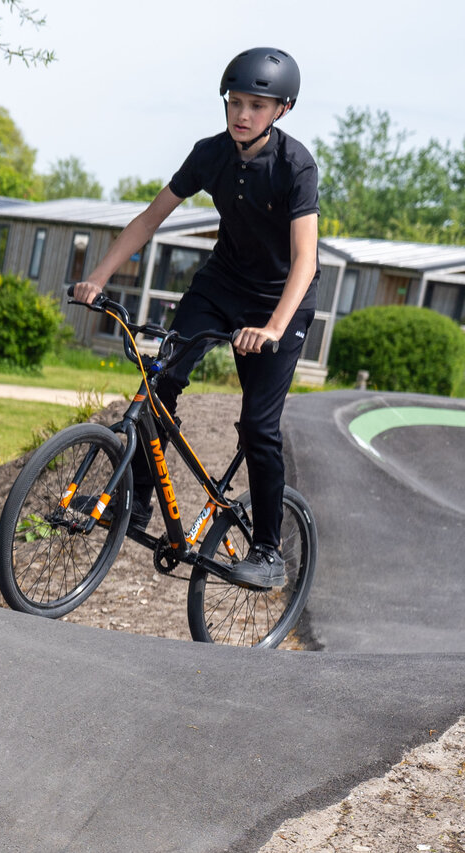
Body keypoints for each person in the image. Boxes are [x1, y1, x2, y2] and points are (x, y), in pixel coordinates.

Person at [72, 47, 318, 591]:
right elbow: (149, 219)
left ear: (283, 110)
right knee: (156, 389)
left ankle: (270, 550)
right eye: (235, 102)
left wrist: (274, 328)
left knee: (258, 424)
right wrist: (99, 278)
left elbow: (307, 259)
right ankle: (132, 506)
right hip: (221, 286)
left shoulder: (294, 166)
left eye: (257, 105)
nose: (243, 114)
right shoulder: (210, 154)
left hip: (282, 301)